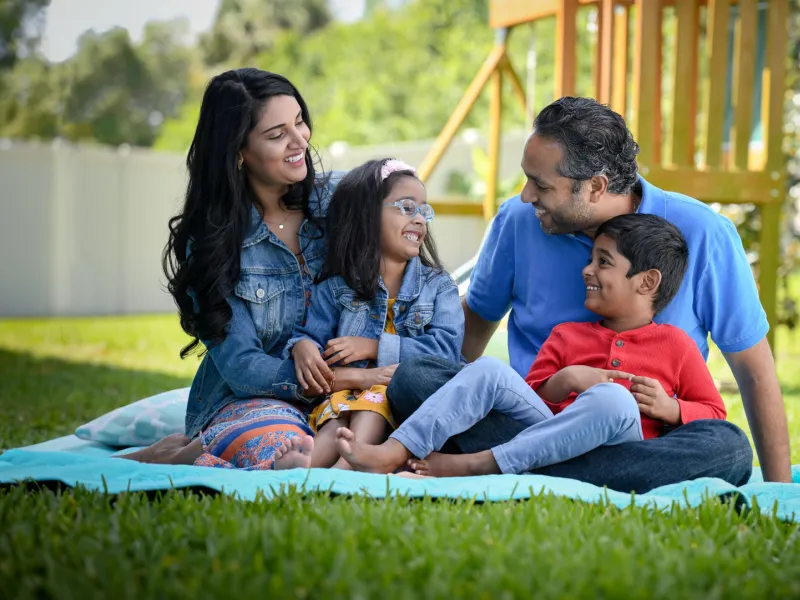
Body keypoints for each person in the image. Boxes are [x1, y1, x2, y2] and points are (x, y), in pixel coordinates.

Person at [385, 97, 791, 492]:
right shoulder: (516, 221)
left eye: (540, 185)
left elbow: (754, 372)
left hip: (645, 441)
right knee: (416, 377)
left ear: (595, 187)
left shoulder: (704, 233)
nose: (527, 197)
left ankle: (504, 466)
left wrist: (780, 490)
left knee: (728, 447)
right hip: (534, 420)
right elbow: (467, 340)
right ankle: (567, 471)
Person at [122, 68, 387, 469]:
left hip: (344, 396)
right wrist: (350, 379)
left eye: (299, 122)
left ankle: (194, 452)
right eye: (277, 134)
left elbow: (403, 200)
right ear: (238, 151)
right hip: (254, 400)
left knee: (403, 422)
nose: (300, 141)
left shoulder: (338, 200)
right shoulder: (213, 242)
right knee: (290, 445)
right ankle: (196, 449)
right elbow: (244, 367)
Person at [336, 213, 728, 476]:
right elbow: (527, 395)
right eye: (591, 259)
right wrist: (570, 378)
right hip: (546, 431)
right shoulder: (568, 335)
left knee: (622, 403)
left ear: (647, 282)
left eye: (604, 262)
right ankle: (397, 449)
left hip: (627, 447)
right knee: (482, 370)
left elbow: (714, 414)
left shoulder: (676, 345)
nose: (587, 270)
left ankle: (478, 464)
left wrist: (671, 408)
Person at [281, 158, 464, 469]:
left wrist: (375, 347)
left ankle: (348, 468)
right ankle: (305, 467)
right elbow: (314, 348)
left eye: (423, 210)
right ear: (367, 215)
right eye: (407, 207)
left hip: (406, 409)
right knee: (339, 420)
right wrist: (301, 347)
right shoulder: (337, 287)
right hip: (346, 399)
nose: (419, 219)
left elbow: (445, 353)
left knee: (372, 402)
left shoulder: (438, 287)